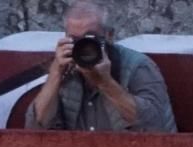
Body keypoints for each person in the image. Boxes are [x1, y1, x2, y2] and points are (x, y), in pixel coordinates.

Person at [25, 0, 176, 133]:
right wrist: (55, 73)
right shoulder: (64, 69)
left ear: (109, 35)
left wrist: (105, 82)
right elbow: (35, 130)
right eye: (75, 40)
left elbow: (155, 128)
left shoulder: (138, 66)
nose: (84, 47)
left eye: (90, 38)